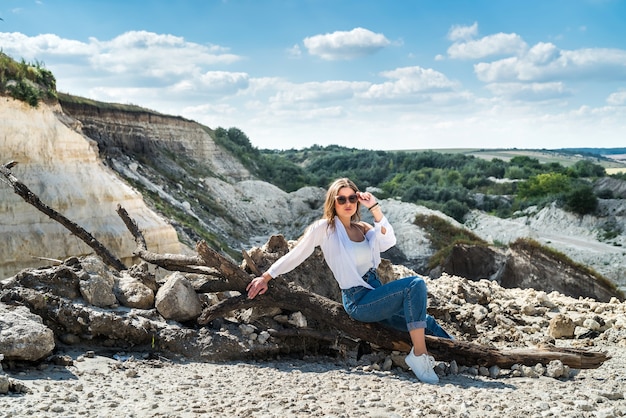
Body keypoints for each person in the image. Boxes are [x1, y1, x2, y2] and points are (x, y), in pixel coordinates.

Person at [247, 178, 452, 384]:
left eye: (352, 198)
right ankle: (419, 355)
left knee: (429, 323)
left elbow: (389, 241)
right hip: (359, 301)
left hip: (378, 295)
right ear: (333, 202)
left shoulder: (363, 228)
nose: (347, 203)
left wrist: (374, 207)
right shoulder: (325, 229)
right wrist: (266, 276)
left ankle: (464, 356)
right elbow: (297, 254)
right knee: (415, 284)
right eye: (341, 199)